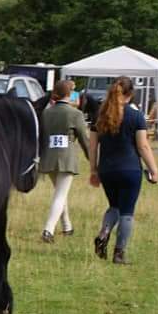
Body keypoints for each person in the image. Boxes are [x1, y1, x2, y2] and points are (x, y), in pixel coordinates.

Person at [89, 76, 158, 265]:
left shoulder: (99, 115)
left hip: (106, 169)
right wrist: (154, 169)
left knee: (114, 205)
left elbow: (93, 145)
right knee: (127, 212)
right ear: (130, 94)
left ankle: (104, 232)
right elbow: (143, 146)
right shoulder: (136, 116)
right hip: (130, 169)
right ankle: (119, 253)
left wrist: (93, 171)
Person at [39, 79, 90, 243]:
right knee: (60, 195)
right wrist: (92, 159)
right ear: (70, 94)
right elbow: (84, 139)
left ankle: (67, 226)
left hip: (48, 157)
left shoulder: (46, 113)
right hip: (66, 158)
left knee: (60, 193)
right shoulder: (76, 114)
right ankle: (48, 229)